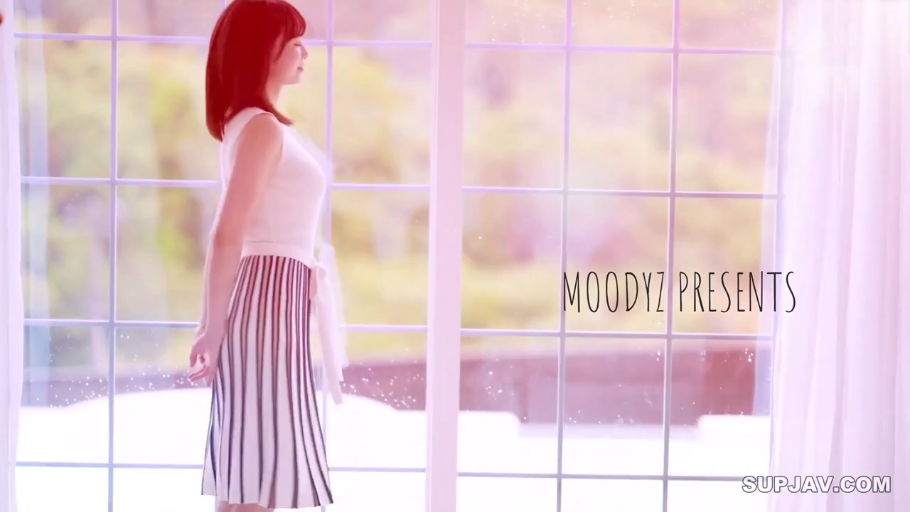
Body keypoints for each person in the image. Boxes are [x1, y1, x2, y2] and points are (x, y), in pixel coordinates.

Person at [188, 1, 348, 510]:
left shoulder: (252, 124)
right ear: (263, 51)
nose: (305, 52)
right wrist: (211, 328)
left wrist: (215, 325)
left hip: (274, 305)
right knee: (259, 472)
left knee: (253, 472)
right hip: (267, 306)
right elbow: (227, 233)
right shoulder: (260, 128)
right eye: (294, 42)